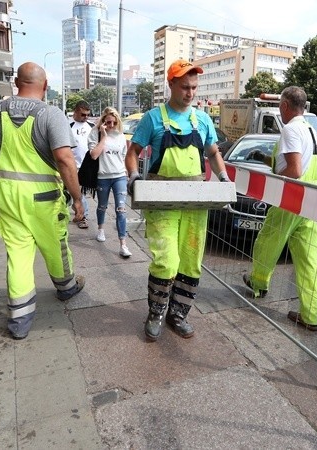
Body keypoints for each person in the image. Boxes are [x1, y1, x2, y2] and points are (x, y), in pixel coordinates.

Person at [126, 59, 230, 342]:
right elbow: (132, 152)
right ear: (170, 84)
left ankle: (178, 313)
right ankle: (156, 312)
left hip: (195, 202)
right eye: (185, 87)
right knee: (167, 261)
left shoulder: (203, 119)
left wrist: (223, 179)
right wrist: (134, 176)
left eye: (194, 87)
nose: (191, 93)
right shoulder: (153, 118)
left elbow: (212, 153)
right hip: (162, 203)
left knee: (191, 262)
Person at [0, 62, 86, 340]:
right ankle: (66, 287)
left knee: (17, 253)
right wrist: (77, 198)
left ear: (16, 82)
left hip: (6, 193)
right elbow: (65, 160)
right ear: (44, 86)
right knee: (55, 244)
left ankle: (20, 320)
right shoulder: (50, 114)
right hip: (42, 197)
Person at [243, 86, 317, 332]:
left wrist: (275, 175)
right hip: (311, 201)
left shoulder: (290, 129)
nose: (280, 110)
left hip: (290, 198)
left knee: (268, 241)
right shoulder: (310, 129)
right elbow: (304, 164)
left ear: (286, 106)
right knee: (308, 261)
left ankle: (258, 283)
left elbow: (294, 170)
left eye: (280, 106)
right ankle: (311, 316)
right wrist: (267, 160)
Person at [88, 107, 132, 257]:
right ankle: (101, 229)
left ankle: (123, 244)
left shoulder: (120, 135)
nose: (111, 125)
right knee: (102, 206)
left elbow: (124, 156)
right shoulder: (96, 133)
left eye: (114, 122)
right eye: (108, 122)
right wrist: (104, 136)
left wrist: (126, 172)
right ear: (103, 122)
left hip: (119, 175)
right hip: (103, 176)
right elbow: (94, 155)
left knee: (121, 209)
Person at [70, 100, 95, 229]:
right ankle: (79, 213)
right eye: (82, 115)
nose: (85, 117)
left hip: (86, 166)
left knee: (81, 192)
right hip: (71, 165)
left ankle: (82, 216)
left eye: (87, 115)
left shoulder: (92, 126)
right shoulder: (68, 126)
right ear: (75, 111)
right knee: (72, 192)